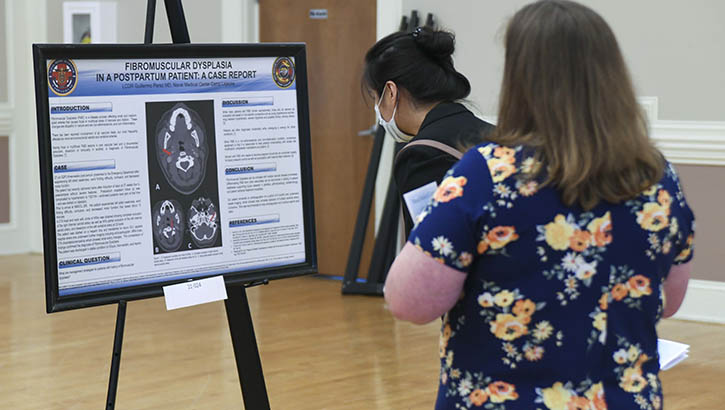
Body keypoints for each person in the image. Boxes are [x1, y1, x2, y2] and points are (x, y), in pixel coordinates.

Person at [383, 1, 695, 409]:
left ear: (521, 80)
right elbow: (670, 299)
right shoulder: (657, 177)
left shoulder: (486, 173)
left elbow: (409, 301)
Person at [363, 26, 494, 237]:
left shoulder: (421, 156)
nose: (377, 108)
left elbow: (430, 248)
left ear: (390, 92)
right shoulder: (495, 133)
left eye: (374, 98)